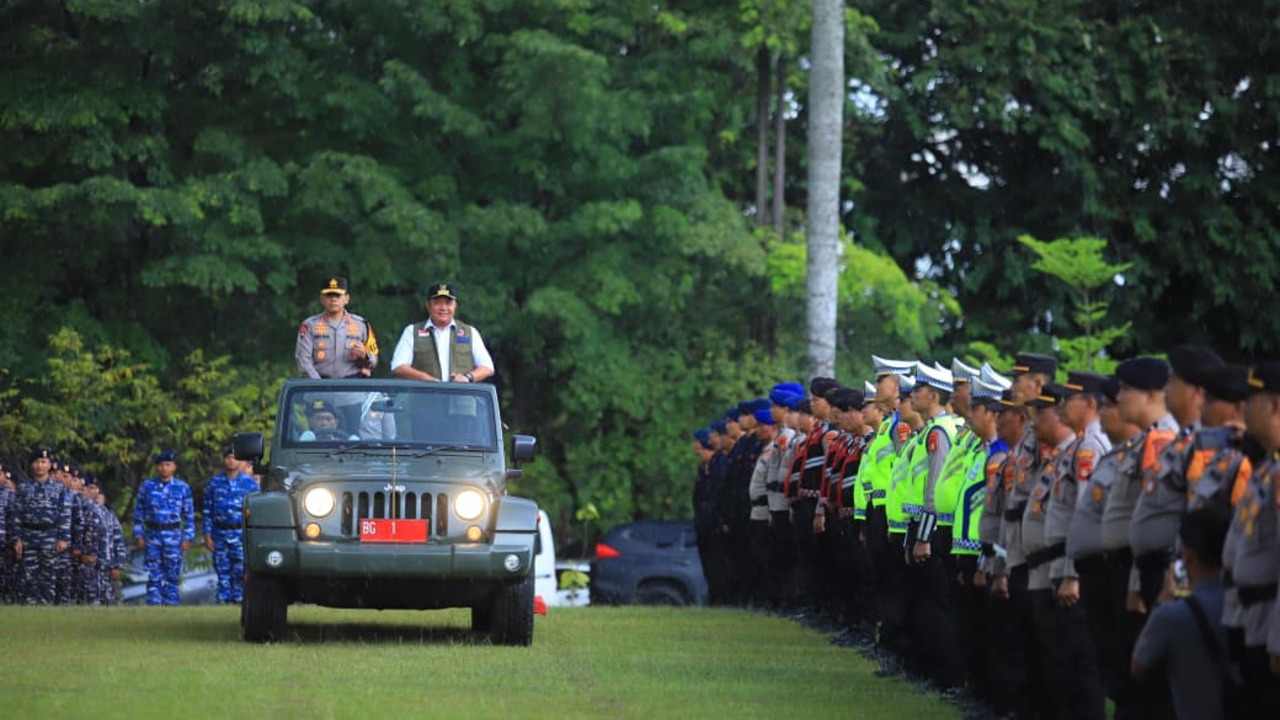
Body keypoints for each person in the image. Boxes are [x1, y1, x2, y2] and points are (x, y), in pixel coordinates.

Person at [1131, 505, 1233, 720]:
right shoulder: (1245, 606)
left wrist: (1163, 599)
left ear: (1186, 557)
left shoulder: (1171, 616)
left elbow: (1139, 667)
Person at [390, 283, 495, 384]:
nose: (443, 308)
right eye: (437, 303)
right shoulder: (412, 331)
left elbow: (487, 367)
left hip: (460, 399)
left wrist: (468, 378)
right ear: (428, 305)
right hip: (424, 399)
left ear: (455, 305)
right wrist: (423, 378)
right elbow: (397, 366)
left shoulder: (470, 332)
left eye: (448, 303)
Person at [133, 451, 196, 605]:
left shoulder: (182, 488)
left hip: (173, 535)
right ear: (156, 467)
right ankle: (153, 605)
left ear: (174, 467)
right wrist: (138, 535)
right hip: (153, 534)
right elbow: (139, 512)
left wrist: (188, 537)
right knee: (153, 574)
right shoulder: (147, 486)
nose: (164, 468)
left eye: (168, 465)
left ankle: (171, 605)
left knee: (172, 574)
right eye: (161, 465)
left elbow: (189, 514)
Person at [12, 448, 72, 605]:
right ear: (32, 465)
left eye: (43, 462)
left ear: (49, 465)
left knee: (49, 577)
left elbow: (64, 514)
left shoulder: (59, 489)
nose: (40, 465)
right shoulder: (23, 488)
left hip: (49, 536)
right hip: (28, 536)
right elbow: (16, 516)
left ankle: (47, 609)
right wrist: (16, 539)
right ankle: (29, 609)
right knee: (28, 577)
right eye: (37, 462)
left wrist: (64, 538)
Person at [202, 448, 259, 603]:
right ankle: (223, 601)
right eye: (227, 458)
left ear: (240, 461)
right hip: (220, 533)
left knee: (240, 570)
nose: (231, 461)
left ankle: (239, 600)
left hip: (240, 533)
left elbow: (256, 509)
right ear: (223, 460)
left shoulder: (249, 483)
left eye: (234, 458)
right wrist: (207, 535)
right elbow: (207, 510)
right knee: (222, 570)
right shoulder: (214, 483)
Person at [295, 275, 379, 379]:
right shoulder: (309, 326)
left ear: (346, 299)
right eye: (329, 295)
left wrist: (365, 356)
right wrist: (318, 384)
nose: (333, 299)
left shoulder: (361, 325)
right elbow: (303, 359)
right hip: (318, 385)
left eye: (338, 295)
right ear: (322, 299)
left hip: (352, 386)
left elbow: (374, 359)